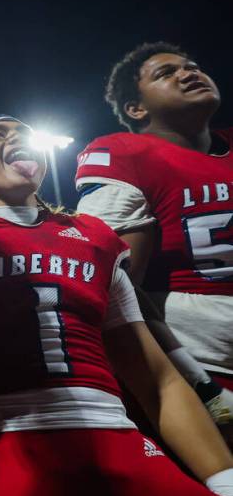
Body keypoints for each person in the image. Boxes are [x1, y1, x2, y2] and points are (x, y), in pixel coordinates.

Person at [0, 115, 233, 496]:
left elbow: (158, 380)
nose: (15, 138)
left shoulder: (93, 236)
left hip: (119, 439)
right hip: (11, 443)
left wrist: (224, 481)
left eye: (23, 133)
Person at [76, 42, 233, 440]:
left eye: (192, 65)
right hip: (201, 359)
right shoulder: (126, 155)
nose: (188, 73)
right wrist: (197, 381)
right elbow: (112, 284)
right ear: (136, 109)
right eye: (166, 73)